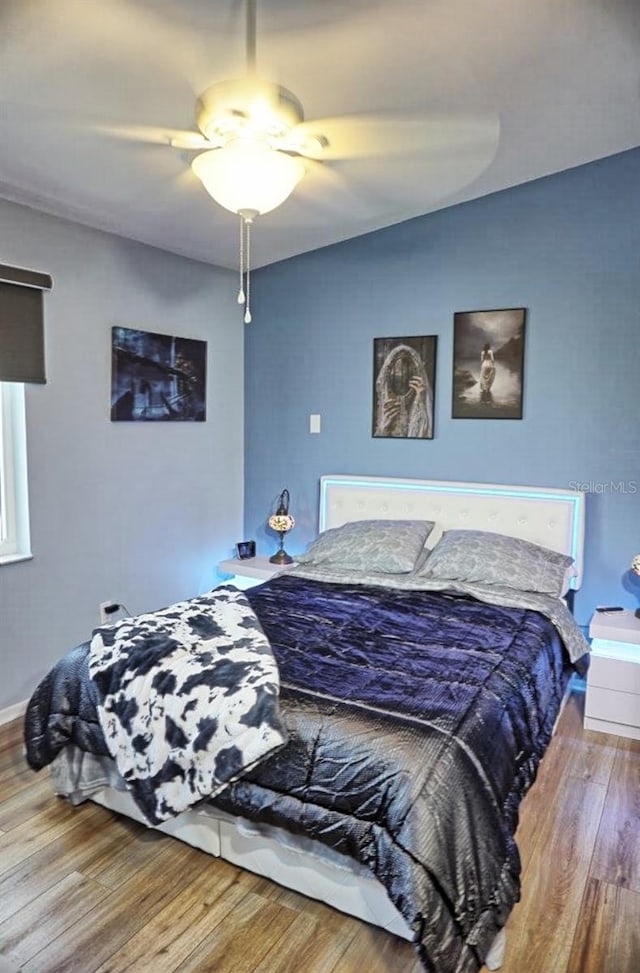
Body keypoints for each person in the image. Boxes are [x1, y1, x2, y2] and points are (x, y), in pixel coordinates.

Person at [375, 343, 432, 438]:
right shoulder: (382, 406)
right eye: (396, 374)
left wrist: (420, 402)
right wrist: (384, 427)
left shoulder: (420, 404)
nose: (401, 375)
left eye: (407, 371)